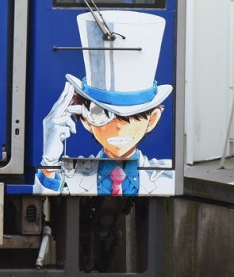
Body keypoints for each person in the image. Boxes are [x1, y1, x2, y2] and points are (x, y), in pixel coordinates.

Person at [40, 11, 173, 195]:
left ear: (152, 119)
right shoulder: (69, 173)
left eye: (132, 117)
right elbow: (44, 191)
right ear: (86, 120)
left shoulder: (167, 177)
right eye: (102, 114)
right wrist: (49, 162)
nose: (118, 128)